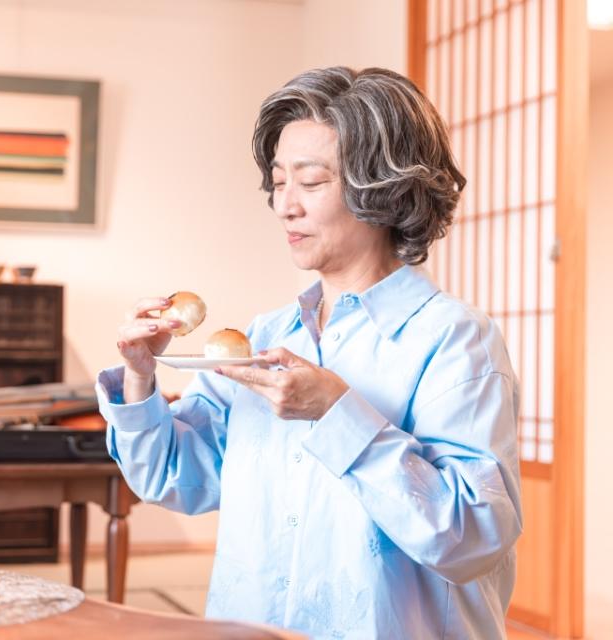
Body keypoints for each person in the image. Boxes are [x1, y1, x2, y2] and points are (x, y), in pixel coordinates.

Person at [95, 67, 522, 639]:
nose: (284, 206)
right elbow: (177, 477)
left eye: (312, 182)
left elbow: (470, 537)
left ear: (382, 188)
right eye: (278, 181)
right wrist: (141, 377)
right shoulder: (268, 334)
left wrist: (339, 413)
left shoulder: (453, 338)